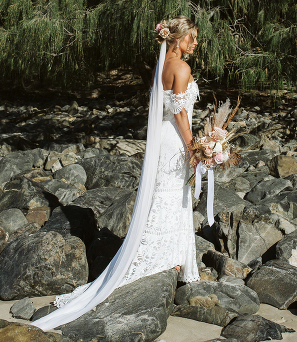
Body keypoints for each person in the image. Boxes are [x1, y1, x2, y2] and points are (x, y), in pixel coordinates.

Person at [31, 16, 201, 331]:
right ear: (175, 38)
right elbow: (179, 113)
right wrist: (195, 147)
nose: (194, 43)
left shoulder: (162, 67)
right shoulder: (181, 68)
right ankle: (164, 260)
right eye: (191, 37)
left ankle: (169, 257)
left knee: (165, 195)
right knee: (171, 196)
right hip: (176, 139)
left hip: (164, 139)